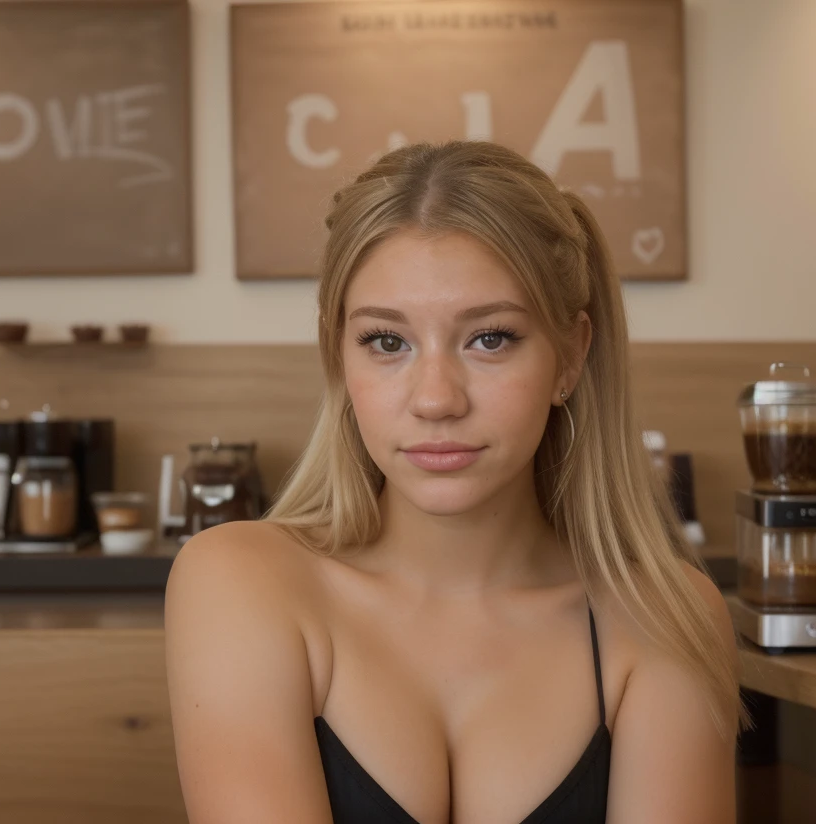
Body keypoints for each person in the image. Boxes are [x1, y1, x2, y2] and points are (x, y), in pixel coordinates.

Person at [165, 139, 744, 824]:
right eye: (387, 342)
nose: (436, 399)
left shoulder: (665, 619)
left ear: (571, 355)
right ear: (337, 355)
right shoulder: (239, 581)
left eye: (490, 338)